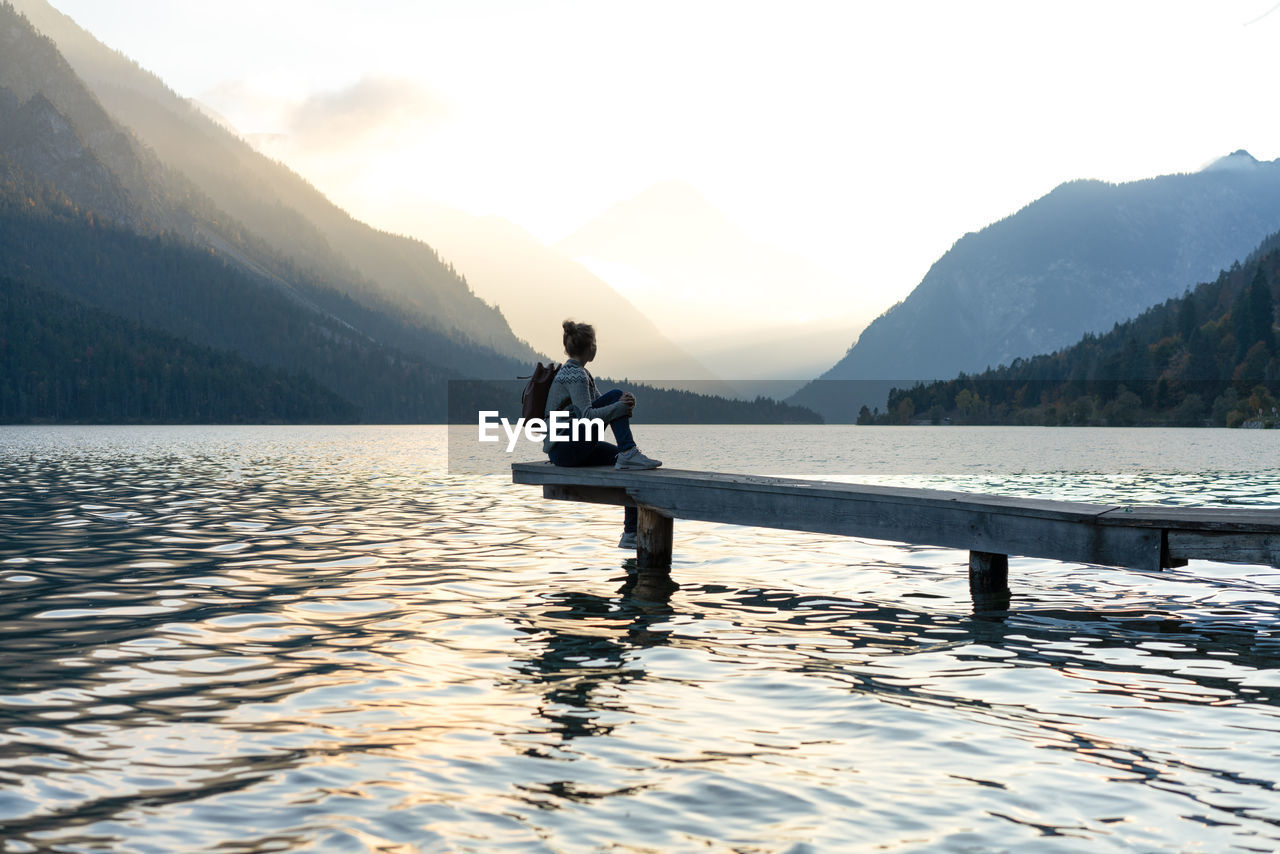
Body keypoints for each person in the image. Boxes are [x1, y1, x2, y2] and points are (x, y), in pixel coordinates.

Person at [544, 320, 661, 549]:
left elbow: (602, 408)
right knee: (617, 396)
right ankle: (629, 451)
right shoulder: (574, 375)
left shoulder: (579, 373)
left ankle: (629, 532)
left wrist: (623, 404)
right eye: (595, 343)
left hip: (568, 447)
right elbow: (588, 416)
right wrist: (619, 404)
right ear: (591, 347)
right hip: (565, 448)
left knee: (624, 463)